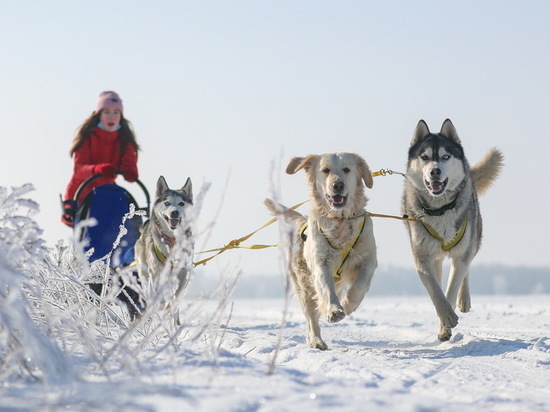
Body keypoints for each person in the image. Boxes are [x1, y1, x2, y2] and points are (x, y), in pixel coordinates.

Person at [61, 91, 140, 227]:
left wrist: (130, 170)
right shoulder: (88, 136)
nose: (112, 116)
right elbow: (79, 169)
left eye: (116, 112)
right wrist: (98, 169)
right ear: (99, 115)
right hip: (81, 192)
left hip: (106, 191)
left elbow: (129, 159)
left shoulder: (124, 138)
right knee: (90, 234)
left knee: (118, 225)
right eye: (107, 112)